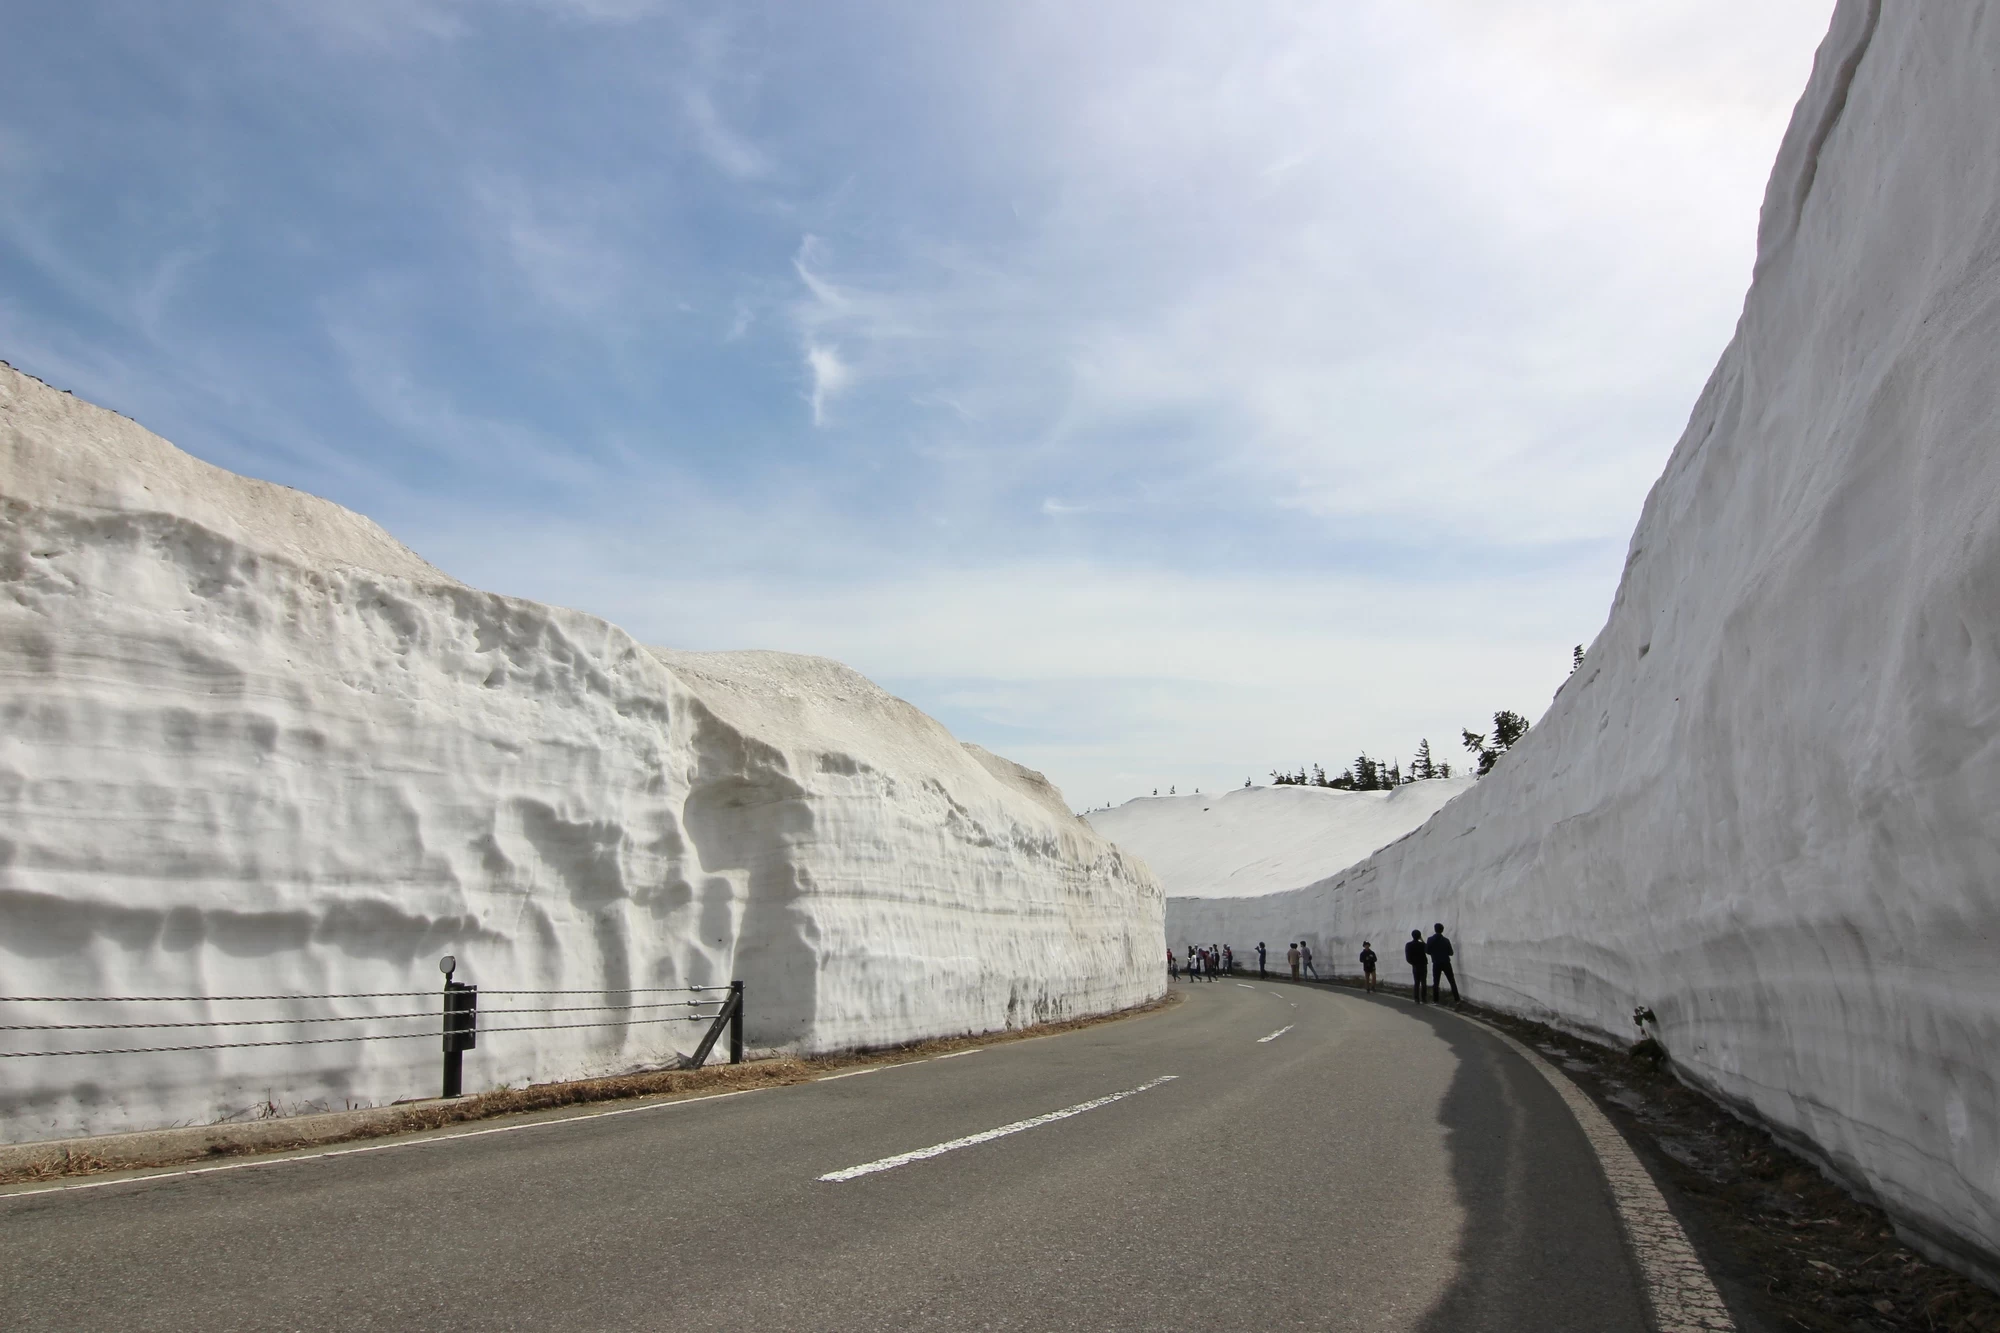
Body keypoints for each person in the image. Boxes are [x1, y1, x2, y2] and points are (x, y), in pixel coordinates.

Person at [1427, 923, 1460, 1003]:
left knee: (1436, 982)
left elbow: (1427, 951)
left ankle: (1435, 1000)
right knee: (1452, 981)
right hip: (1446, 962)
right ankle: (1457, 999)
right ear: (1442, 930)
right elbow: (1451, 953)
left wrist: (1434, 952)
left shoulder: (1430, 939)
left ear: (1435, 929)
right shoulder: (1446, 940)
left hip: (1436, 963)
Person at [1405, 930, 1430, 1002]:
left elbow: (1408, 958)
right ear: (1419, 936)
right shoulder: (1422, 945)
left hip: (1415, 965)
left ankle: (1416, 998)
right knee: (1424, 982)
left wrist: (1413, 963)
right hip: (1423, 964)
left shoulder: (1408, 945)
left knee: (1416, 982)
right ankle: (1424, 998)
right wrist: (1422, 940)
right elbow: (1427, 950)